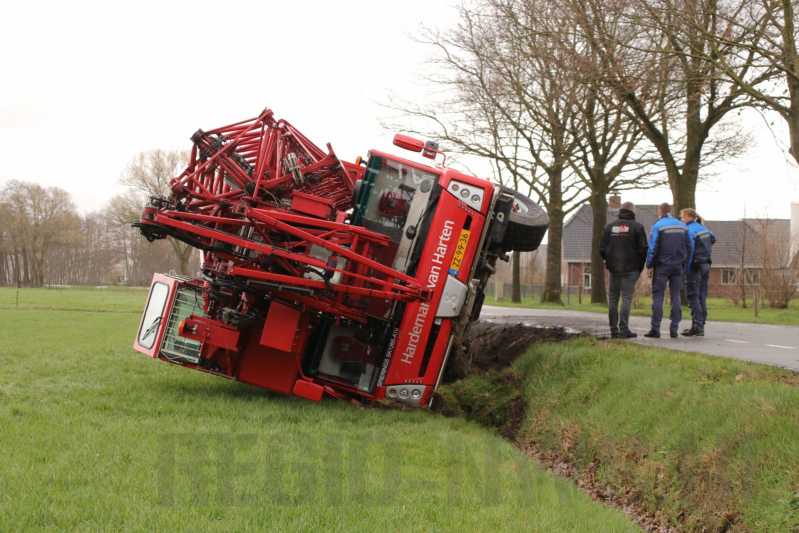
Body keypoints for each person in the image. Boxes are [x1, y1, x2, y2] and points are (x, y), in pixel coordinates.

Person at [599, 201, 648, 338]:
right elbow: (643, 249)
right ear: (633, 210)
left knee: (613, 299)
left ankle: (613, 330)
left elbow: (602, 248)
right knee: (626, 298)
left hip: (614, 268)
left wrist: (609, 262)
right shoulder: (637, 227)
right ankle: (624, 329)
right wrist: (639, 267)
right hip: (631, 268)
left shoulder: (609, 226)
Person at [644, 202, 692, 338]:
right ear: (670, 211)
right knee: (676, 296)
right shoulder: (683, 226)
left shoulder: (658, 225)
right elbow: (689, 248)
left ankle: (655, 329)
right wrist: (685, 266)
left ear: (660, 213)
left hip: (662, 266)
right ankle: (674, 329)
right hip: (678, 266)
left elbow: (653, 247)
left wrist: (649, 265)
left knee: (658, 296)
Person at [680, 208, 716, 336]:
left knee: (692, 296)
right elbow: (713, 238)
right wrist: (704, 248)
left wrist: (686, 268)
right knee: (701, 296)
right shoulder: (703, 228)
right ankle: (701, 324)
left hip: (695, 267)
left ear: (690, 217)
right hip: (706, 264)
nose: (681, 220)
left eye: (683, 217)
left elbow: (689, 250)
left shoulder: (689, 230)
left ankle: (697, 326)